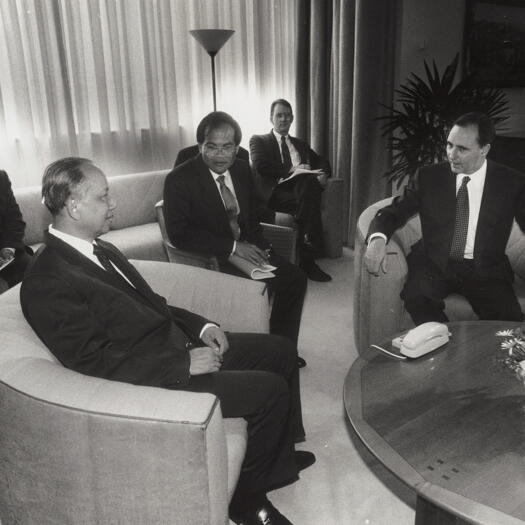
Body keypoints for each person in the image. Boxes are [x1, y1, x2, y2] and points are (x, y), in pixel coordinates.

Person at [20, 157, 315, 525]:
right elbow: (91, 362)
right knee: (269, 391)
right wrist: (183, 365)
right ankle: (245, 500)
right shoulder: (47, 279)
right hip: (155, 377)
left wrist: (202, 326)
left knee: (281, 351)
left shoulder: (102, 249)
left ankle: (275, 462)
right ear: (74, 206)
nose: (114, 205)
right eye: (104, 196)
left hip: (177, 346)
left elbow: (154, 305)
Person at [163, 111, 309, 368]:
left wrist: (262, 246)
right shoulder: (179, 179)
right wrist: (232, 247)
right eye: (211, 147)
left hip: (248, 250)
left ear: (236, 148)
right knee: (257, 292)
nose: (220, 155)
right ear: (200, 146)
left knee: (295, 279)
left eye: (227, 147)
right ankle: (257, 351)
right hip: (212, 257)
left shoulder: (242, 170)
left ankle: (281, 349)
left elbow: (251, 217)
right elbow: (179, 233)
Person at [364, 112, 525, 325]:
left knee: (510, 323)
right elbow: (393, 212)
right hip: (434, 262)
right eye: (449, 145)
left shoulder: (510, 182)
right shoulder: (429, 176)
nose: (452, 154)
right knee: (417, 298)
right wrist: (377, 239)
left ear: (484, 149)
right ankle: (445, 349)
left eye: (462, 149)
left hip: (486, 270)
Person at [250, 99, 332, 282]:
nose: (284, 119)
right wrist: (291, 169)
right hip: (276, 192)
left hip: (300, 192)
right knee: (309, 187)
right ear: (271, 118)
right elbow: (260, 164)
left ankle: (306, 248)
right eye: (279, 115)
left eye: (287, 115)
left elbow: (321, 161)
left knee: (309, 183)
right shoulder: (259, 140)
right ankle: (309, 257)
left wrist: (324, 174)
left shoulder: (300, 144)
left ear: (292, 118)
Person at [0, 170, 32, 290]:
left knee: (34, 270)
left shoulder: (1, 178)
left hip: (5, 250)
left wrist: (8, 248)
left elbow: (14, 219)